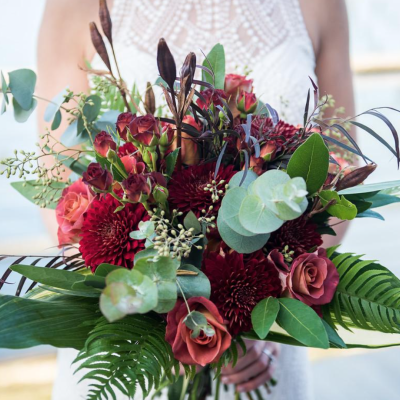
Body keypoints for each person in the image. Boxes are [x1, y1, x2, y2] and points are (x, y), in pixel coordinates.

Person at [37, 0, 355, 399]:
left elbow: (341, 165)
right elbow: (57, 177)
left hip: (265, 351)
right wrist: (169, 317)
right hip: (131, 351)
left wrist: (269, 319)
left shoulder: (321, 6)